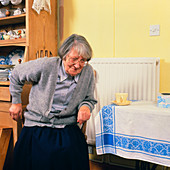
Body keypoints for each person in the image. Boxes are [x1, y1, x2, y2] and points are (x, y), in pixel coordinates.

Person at [9, 34, 97, 170]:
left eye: (83, 60)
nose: (78, 65)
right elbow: (16, 74)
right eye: (74, 59)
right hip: (39, 124)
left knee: (75, 151)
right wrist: (16, 102)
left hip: (67, 125)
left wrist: (85, 107)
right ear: (64, 55)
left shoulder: (88, 72)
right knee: (46, 155)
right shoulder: (46, 65)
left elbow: (89, 98)